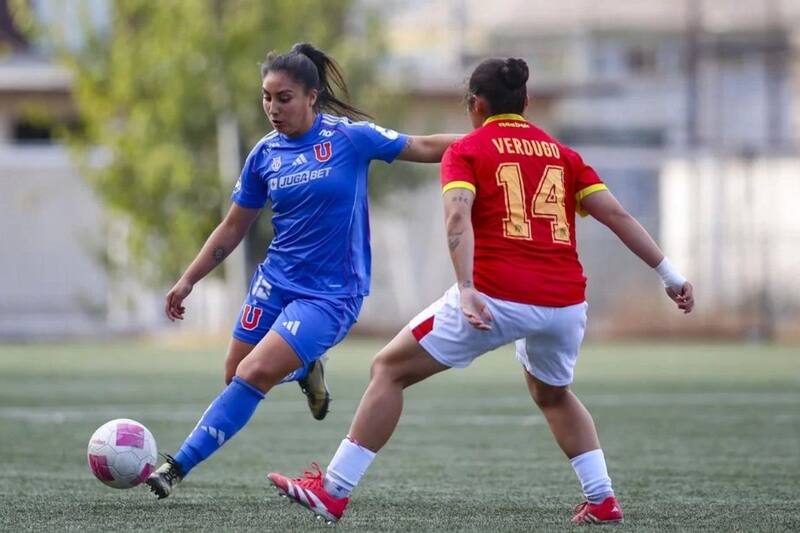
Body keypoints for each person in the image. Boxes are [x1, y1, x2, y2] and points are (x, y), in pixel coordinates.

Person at [268, 57, 695, 525]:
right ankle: (602, 498)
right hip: (565, 304)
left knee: (388, 369)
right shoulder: (563, 155)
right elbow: (619, 217)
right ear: (526, 102)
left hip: (496, 295)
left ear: (475, 105)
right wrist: (670, 276)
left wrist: (466, 287)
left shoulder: (468, 150)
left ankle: (333, 491)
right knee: (553, 394)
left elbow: (457, 218)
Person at [145, 42, 461, 499]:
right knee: (237, 373)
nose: (273, 108)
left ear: (312, 96)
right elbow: (234, 226)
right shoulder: (264, 155)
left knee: (254, 373)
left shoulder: (350, 138)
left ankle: (175, 467)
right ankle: (307, 368)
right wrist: (189, 278)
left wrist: (491, 144)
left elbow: (424, 145)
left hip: (330, 295)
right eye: (266, 98)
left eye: (284, 97)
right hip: (274, 283)